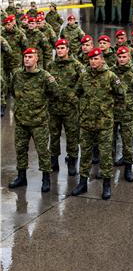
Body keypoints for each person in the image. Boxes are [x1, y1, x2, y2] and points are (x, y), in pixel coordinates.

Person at [71, 47, 125, 200]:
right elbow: (77, 93)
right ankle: (82, 183)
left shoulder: (110, 76)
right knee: (86, 153)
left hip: (104, 123)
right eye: (91, 59)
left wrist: (111, 112)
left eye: (96, 58)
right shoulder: (84, 76)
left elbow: (121, 95)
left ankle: (106, 185)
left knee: (105, 154)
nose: (93, 61)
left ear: (102, 59)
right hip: (86, 121)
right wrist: (81, 109)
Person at [8, 47, 58, 193]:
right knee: (20, 150)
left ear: (37, 59)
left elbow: (55, 93)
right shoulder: (17, 75)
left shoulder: (45, 76)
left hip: (39, 122)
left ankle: (46, 179)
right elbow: (12, 91)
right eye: (25, 57)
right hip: (22, 121)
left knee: (43, 152)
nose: (27, 59)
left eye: (30, 56)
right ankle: (21, 177)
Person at [48, 39, 85, 176]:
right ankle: (54, 161)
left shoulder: (76, 66)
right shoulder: (51, 66)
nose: (60, 50)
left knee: (72, 135)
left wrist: (75, 97)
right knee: (54, 135)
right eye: (58, 48)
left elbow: (84, 83)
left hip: (70, 109)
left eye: (62, 48)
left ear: (68, 49)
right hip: (54, 108)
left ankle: (72, 161)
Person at [111, 46, 133, 181]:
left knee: (128, 141)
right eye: (119, 57)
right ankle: (108, 167)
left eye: (124, 57)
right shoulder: (112, 72)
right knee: (110, 141)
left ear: (129, 57)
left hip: (128, 113)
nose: (121, 59)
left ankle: (128, 168)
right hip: (113, 112)